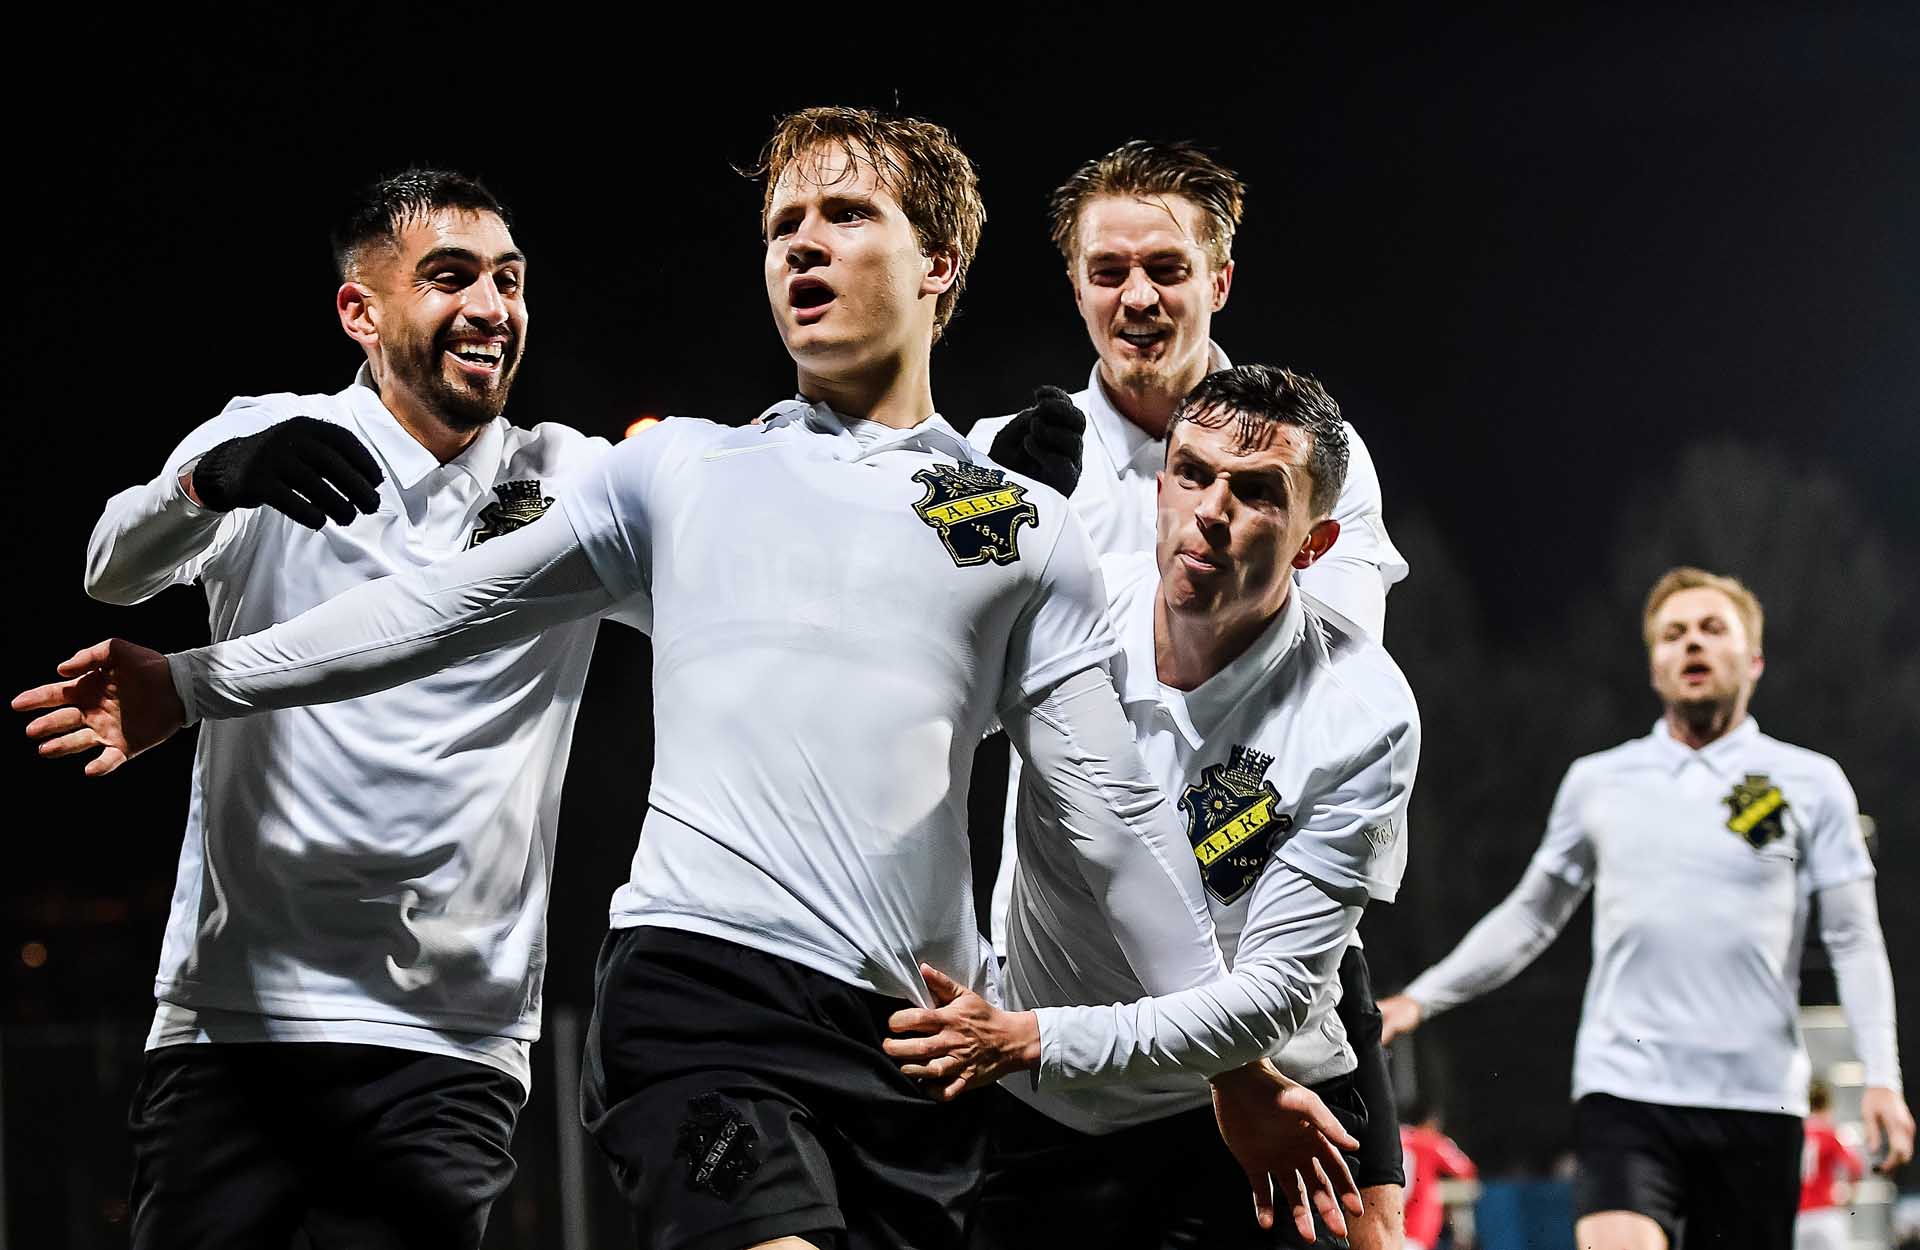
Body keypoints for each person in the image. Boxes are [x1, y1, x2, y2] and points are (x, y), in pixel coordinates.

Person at [20, 108, 1356, 1250]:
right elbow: (441, 606)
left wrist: (1236, 1065)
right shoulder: (679, 471)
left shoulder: (1021, 523)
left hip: (919, 1042)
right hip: (700, 1000)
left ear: (940, 263)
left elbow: (1110, 819)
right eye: (782, 226)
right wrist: (195, 679)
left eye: (844, 214)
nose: (801, 245)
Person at [69, 167, 637, 1250]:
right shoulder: (271, 435)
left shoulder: (572, 477)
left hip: (452, 1035)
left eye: (510, 280)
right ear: (360, 311)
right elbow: (112, 569)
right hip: (236, 1015)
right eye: (451, 277)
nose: (492, 307)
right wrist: (211, 481)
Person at [971, 139, 1412, 1247]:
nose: (1138, 297)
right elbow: (947, 705)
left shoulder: (1312, 451)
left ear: (1219, 279)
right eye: (1108, 270)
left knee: (1372, 1227)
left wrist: (1234, 1049)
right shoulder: (1006, 463)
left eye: (1166, 268)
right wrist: (999, 537)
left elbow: (1313, 687)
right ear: (1075, 284)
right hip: (1068, 968)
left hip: (1262, 937)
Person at [892, 365, 1418, 1248]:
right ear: (1160, 487)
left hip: (1262, 1098)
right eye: (1193, 475)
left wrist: (1032, 1039)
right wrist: (969, 549)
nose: (1211, 511)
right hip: (1055, 1108)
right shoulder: (1067, 608)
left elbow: (1270, 996)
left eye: (1256, 493)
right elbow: (904, 703)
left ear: (1313, 543)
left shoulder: (1362, 713)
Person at [1379, 568, 1915, 1250]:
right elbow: (1531, 916)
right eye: (1673, 633)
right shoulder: (1600, 781)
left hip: (1757, 1100)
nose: (1691, 642)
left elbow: (1854, 937)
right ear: (1655, 664)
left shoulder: (1811, 783)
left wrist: (1882, 1077)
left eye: (1712, 629)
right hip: (1625, 1091)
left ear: (1753, 659)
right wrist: (1421, 999)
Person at [1398, 1098, 1476, 1250]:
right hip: (1415, 1233)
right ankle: (1463, 1242)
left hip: (1385, 1228)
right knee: (1465, 1190)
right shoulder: (1431, 1142)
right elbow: (1466, 1170)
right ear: (1431, 1122)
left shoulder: (1394, 1137)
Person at [1796, 1080, 1865, 1250]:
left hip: (1798, 1216)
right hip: (1825, 1213)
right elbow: (1856, 1166)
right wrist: (1848, 1195)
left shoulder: (1793, 1136)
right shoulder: (1830, 1133)